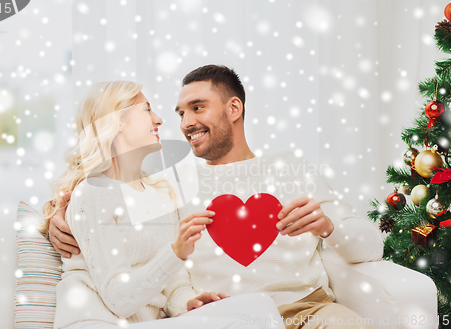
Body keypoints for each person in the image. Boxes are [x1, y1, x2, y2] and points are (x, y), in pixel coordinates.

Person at [49, 66, 383, 329]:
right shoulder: (171, 183)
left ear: (233, 108)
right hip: (224, 318)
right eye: (180, 113)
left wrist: (328, 227)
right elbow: (105, 207)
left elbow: (371, 245)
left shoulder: (290, 168)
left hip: (309, 311)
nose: (185, 123)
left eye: (197, 108)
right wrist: (55, 221)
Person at [41, 80, 285, 329]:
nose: (158, 119)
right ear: (116, 122)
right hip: (96, 322)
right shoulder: (93, 194)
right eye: (147, 110)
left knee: (260, 306)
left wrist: (188, 303)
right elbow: (119, 300)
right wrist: (175, 252)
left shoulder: (159, 193)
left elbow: (173, 284)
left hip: (142, 324)